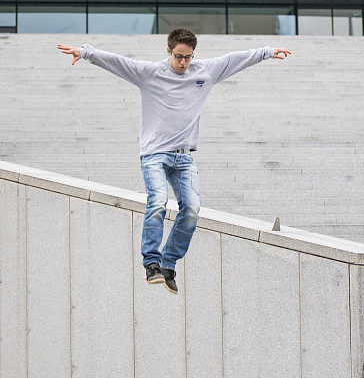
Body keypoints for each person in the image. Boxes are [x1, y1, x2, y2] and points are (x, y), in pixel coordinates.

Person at [57, 29, 291, 294]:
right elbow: (120, 63)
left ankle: (168, 264)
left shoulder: (204, 71)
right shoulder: (150, 73)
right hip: (154, 154)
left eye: (188, 58)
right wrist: (86, 52)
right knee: (157, 201)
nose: (183, 63)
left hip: (184, 158)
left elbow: (235, 59)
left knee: (191, 209)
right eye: (179, 57)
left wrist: (267, 52)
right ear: (168, 51)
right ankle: (151, 263)